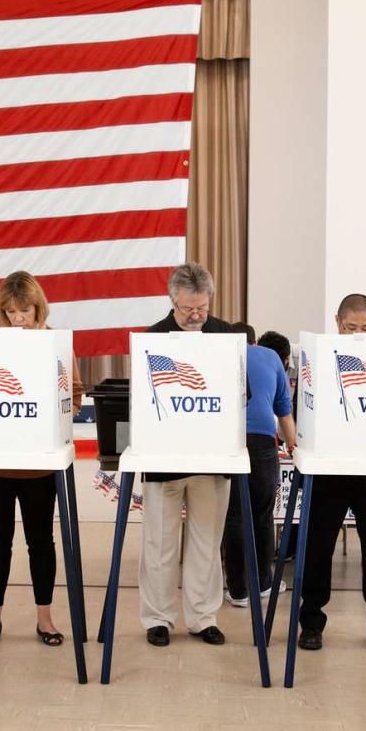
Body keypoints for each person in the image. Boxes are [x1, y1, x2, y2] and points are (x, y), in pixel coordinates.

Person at [0, 272, 86, 647]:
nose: (18, 318)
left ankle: (45, 618)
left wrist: (60, 417)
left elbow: (76, 394)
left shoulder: (55, 343)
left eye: (25, 310)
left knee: (40, 540)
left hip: (38, 465)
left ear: (39, 307)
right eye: (11, 311)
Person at [296, 294, 366, 653]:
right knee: (317, 549)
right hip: (329, 471)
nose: (359, 333)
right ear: (338, 322)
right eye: (352, 327)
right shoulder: (319, 357)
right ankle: (311, 623)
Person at [139, 263, 235, 647]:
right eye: (187, 309)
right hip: (164, 458)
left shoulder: (227, 335)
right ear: (171, 301)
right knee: (159, 544)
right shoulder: (153, 339)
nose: (196, 316)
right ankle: (158, 618)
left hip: (212, 458)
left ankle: (202, 617)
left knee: (206, 543)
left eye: (202, 308)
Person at [223, 323, 297, 608]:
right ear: (254, 341)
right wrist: (293, 446)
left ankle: (238, 590)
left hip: (229, 440)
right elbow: (284, 412)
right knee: (263, 515)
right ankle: (264, 583)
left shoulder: (223, 356)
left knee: (234, 516)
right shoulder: (271, 357)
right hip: (263, 442)